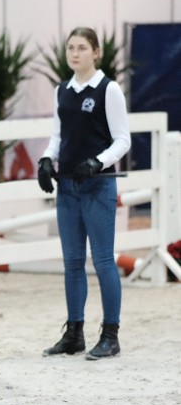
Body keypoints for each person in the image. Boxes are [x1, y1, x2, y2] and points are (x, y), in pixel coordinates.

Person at [37, 26, 131, 360]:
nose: (75, 53)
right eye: (70, 48)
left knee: (103, 260)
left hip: (98, 186)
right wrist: (47, 160)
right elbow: (58, 135)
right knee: (72, 262)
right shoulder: (63, 89)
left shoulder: (109, 90)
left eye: (81, 48)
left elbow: (122, 140)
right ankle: (74, 333)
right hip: (68, 189)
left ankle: (110, 334)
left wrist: (97, 162)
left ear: (95, 52)